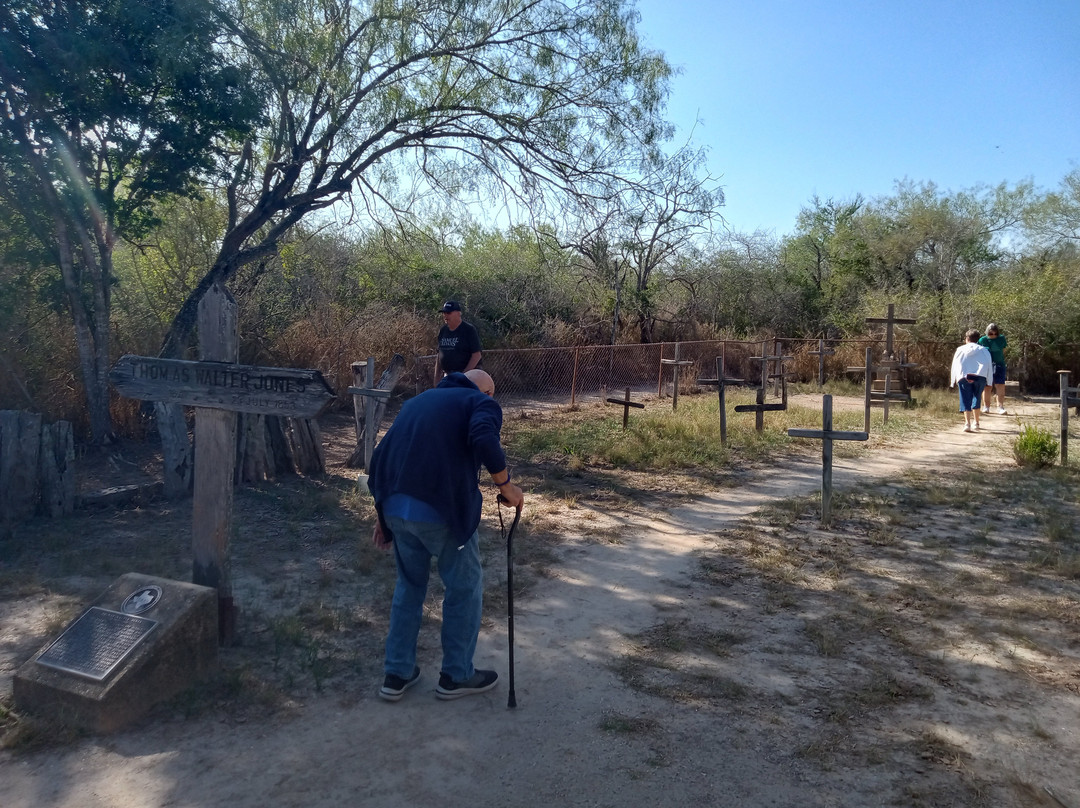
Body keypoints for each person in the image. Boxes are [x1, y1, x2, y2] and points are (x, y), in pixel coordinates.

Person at [368, 368, 524, 702]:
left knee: (409, 587)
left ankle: (397, 673)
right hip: (442, 513)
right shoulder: (479, 402)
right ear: (487, 392)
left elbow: (380, 457)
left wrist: (383, 516)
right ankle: (456, 675)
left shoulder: (418, 401)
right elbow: (484, 438)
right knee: (464, 588)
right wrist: (506, 487)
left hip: (396, 508)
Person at [950, 329, 993, 433]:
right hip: (980, 376)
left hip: (963, 376)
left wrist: (953, 380)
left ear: (967, 338)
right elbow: (989, 366)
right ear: (978, 339)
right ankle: (976, 422)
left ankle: (967, 423)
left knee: (965, 399)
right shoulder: (984, 350)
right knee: (977, 398)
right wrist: (989, 380)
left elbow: (955, 365)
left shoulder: (960, 350)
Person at [434, 300, 482, 382]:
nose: (445, 315)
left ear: (459, 313)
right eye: (444, 313)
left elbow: (477, 355)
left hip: (469, 376)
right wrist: (436, 378)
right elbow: (439, 355)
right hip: (448, 376)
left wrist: (463, 376)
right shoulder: (443, 330)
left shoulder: (468, 330)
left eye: (448, 313)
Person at [978, 322, 1008, 415]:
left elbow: (1004, 350)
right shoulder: (982, 340)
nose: (993, 335)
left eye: (995, 333)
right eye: (991, 333)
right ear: (987, 332)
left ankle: (1000, 407)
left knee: (1000, 385)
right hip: (987, 365)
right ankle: (986, 406)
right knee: (987, 386)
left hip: (999, 364)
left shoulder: (1001, 338)